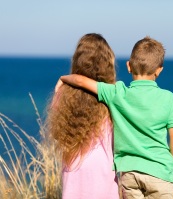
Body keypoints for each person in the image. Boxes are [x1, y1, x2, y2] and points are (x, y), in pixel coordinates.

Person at [56, 36, 173, 199]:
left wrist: (63, 78)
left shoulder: (117, 92)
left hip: (129, 173)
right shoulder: (168, 98)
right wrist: (171, 167)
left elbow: (81, 82)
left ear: (129, 66)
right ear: (159, 70)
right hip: (160, 173)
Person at [46, 33, 119, 199]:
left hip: (74, 172)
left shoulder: (63, 93)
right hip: (103, 173)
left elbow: (58, 134)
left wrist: (63, 81)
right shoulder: (112, 96)